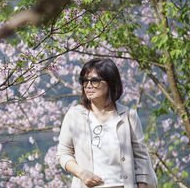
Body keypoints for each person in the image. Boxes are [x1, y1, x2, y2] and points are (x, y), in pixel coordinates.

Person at [57, 58, 155, 188]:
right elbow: (63, 153)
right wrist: (81, 173)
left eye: (95, 81)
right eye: (85, 81)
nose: (88, 85)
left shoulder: (128, 117)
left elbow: (142, 159)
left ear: (111, 83)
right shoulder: (74, 116)